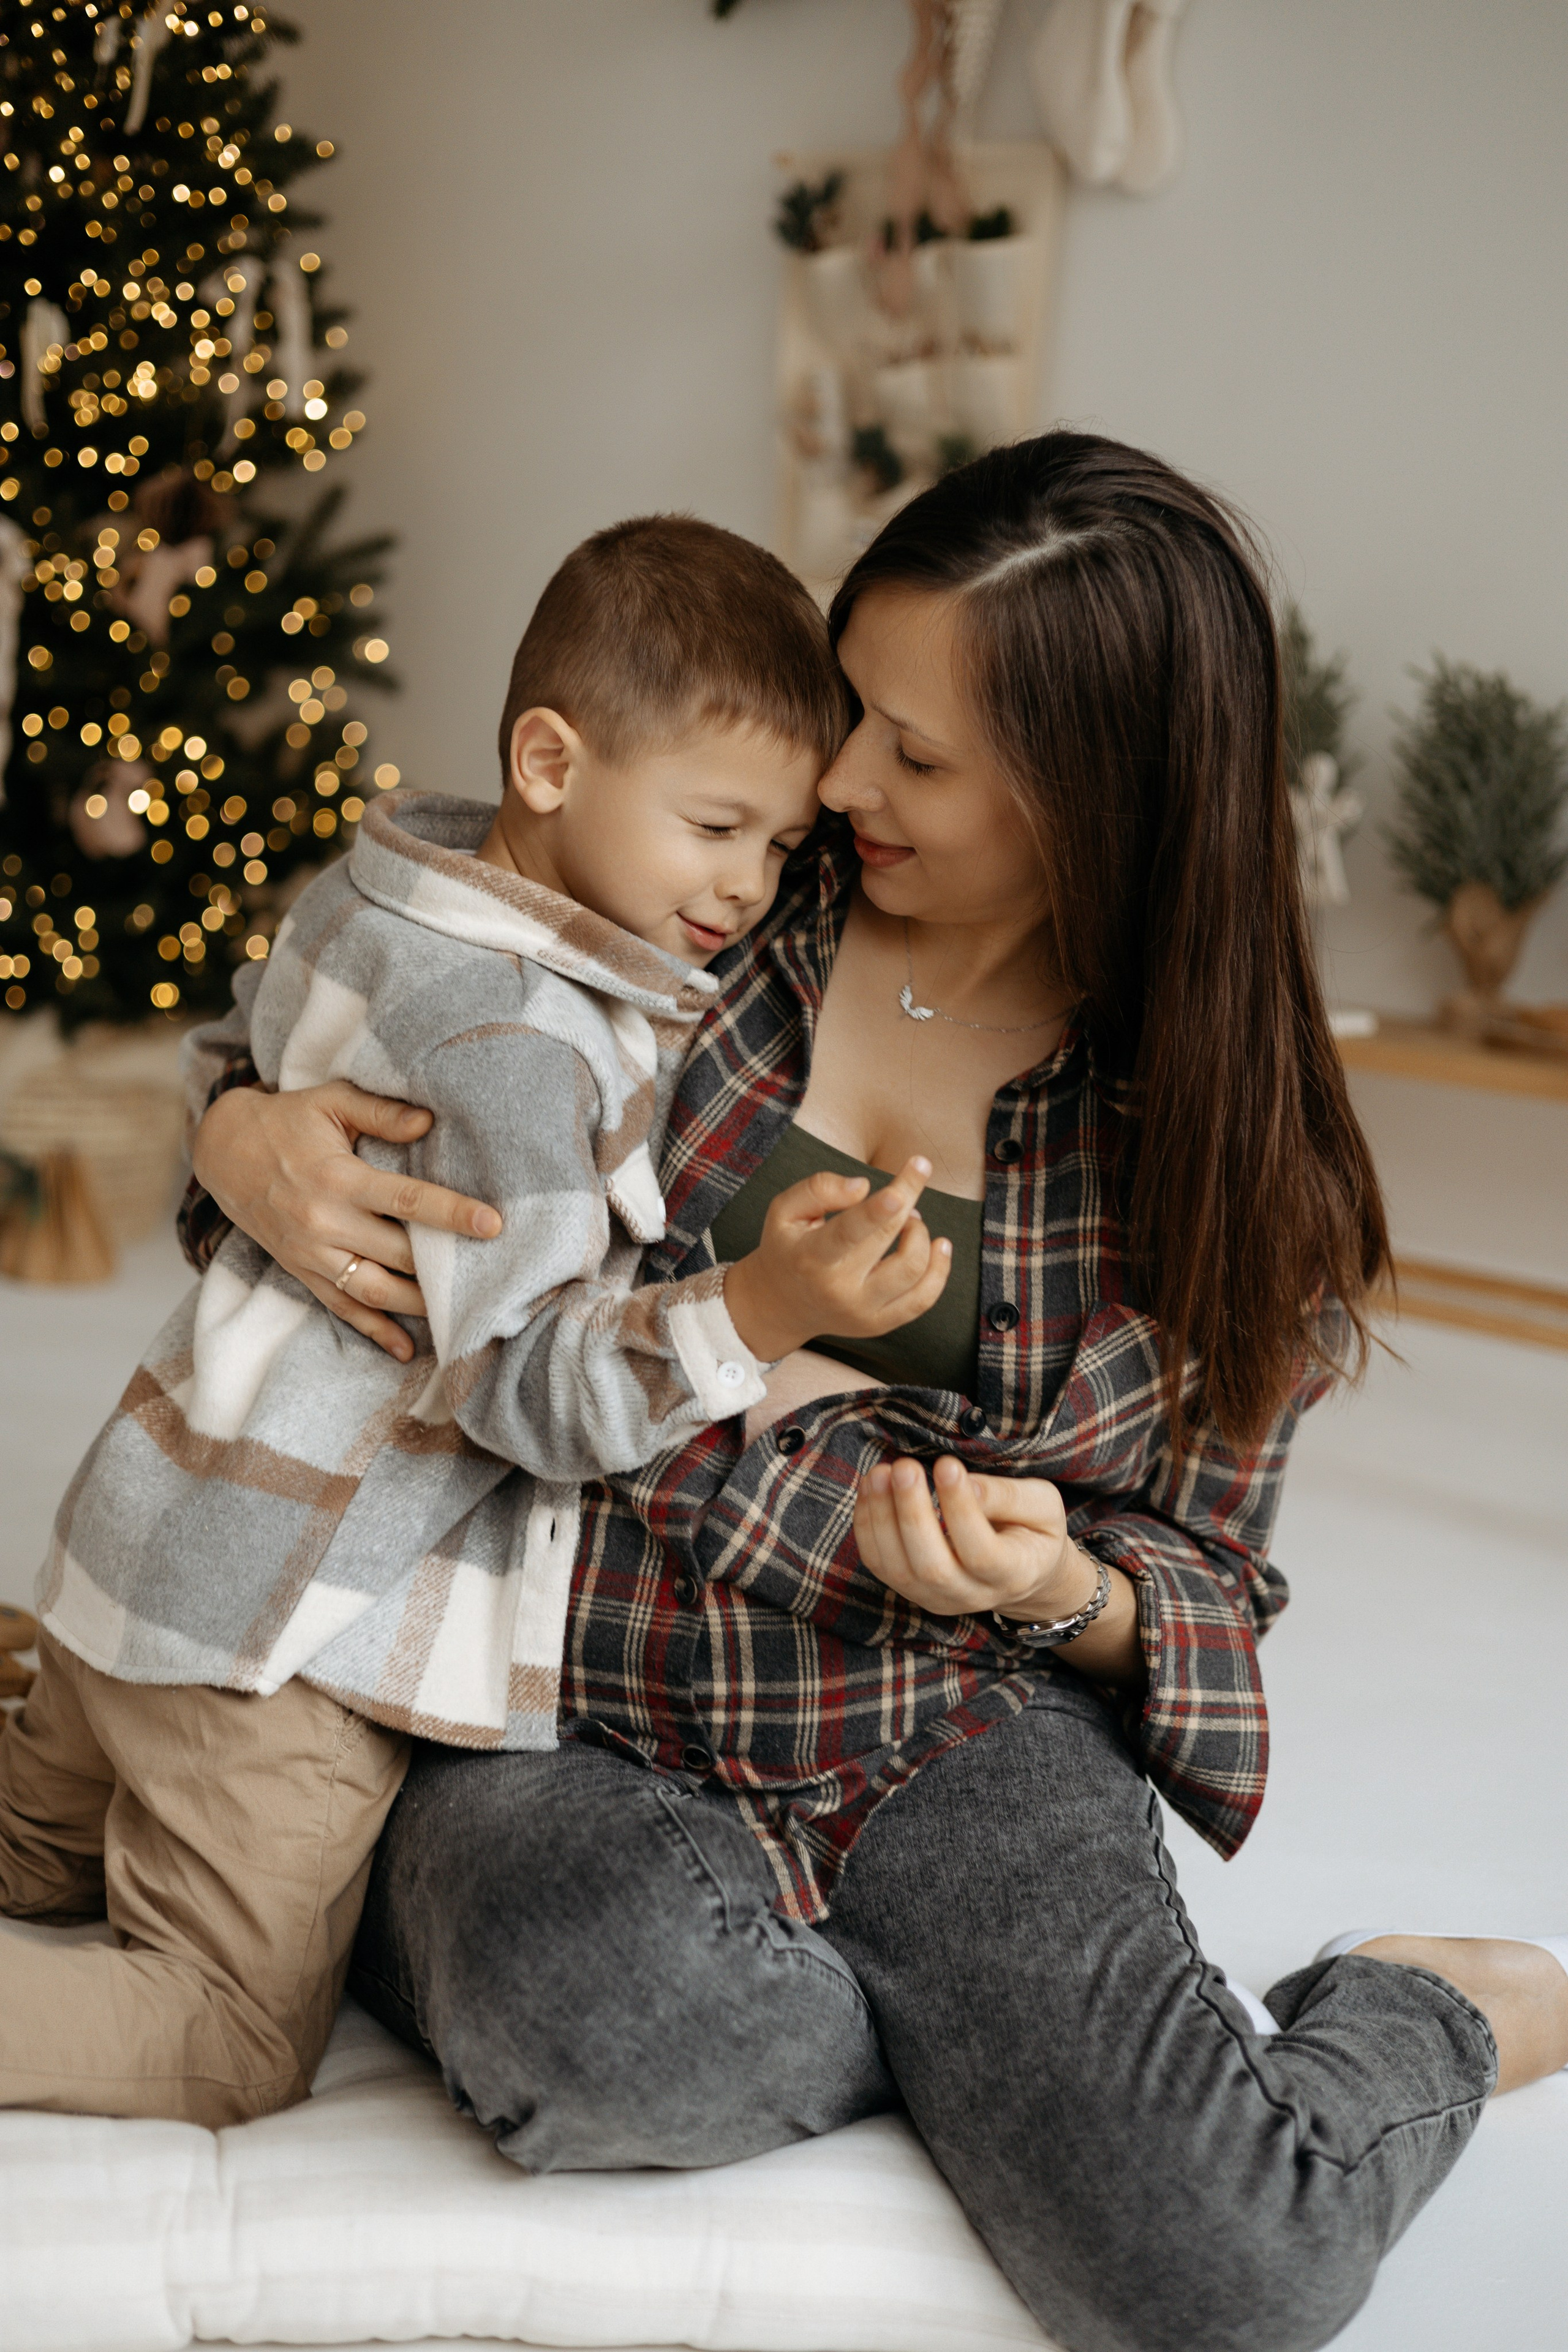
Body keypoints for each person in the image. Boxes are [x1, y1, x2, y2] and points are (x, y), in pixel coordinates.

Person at [178, 435, 1568, 2352]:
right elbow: (409, 937)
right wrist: (239, 1131)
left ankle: (1429, 2006)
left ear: (1099, 799)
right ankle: (1014, 2070)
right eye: (855, 713)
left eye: (917, 760)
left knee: (1233, 2278)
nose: (840, 785)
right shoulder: (718, 877)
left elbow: (1212, 1578)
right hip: (574, 1665)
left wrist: (1059, 1594)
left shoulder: (1228, 1147)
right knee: (604, 2030)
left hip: (955, 1716)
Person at [0, 514, 956, 2130]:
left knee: (34, 1849)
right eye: (717, 826)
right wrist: (753, 1307)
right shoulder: (532, 1054)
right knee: (227, 2038)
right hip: (275, 1639)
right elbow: (522, 1390)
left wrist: (234, 1129)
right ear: (548, 759)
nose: (746, 884)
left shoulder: (374, 888)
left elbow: (235, 1050)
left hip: (139, 1541)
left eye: (780, 848)